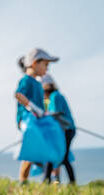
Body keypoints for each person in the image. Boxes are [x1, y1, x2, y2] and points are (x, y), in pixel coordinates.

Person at [15, 48, 59, 183]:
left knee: (39, 151)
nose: (47, 69)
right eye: (45, 65)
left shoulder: (38, 84)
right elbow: (18, 95)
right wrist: (34, 109)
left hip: (38, 120)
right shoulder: (26, 80)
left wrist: (46, 113)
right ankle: (23, 181)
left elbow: (41, 105)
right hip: (27, 120)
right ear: (34, 63)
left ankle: (46, 176)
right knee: (30, 151)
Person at [41, 74, 76, 184]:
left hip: (66, 130)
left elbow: (55, 114)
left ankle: (71, 182)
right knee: (55, 155)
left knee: (62, 157)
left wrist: (42, 115)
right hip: (64, 129)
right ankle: (48, 181)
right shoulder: (55, 96)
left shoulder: (55, 96)